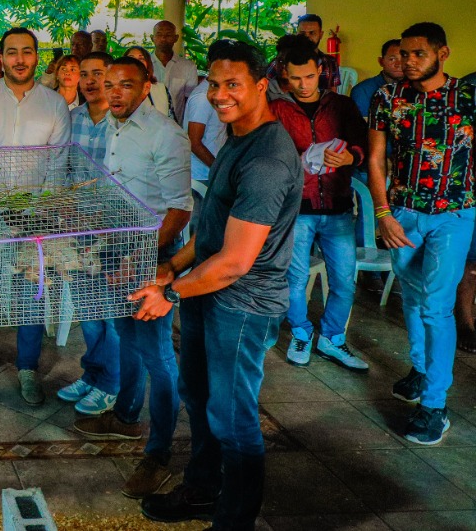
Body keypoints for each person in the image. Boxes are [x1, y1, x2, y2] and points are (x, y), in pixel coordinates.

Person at [134, 39, 301, 530]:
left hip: (242, 304)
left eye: (233, 84)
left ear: (261, 86)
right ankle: (202, 490)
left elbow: (234, 261)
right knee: (199, 393)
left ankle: (234, 521)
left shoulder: (267, 159)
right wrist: (172, 267)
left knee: (231, 415)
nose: (220, 94)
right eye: (213, 83)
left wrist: (169, 294)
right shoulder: (236, 136)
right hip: (207, 292)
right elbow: (211, 230)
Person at [74, 56, 192, 499]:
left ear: (146, 87)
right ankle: (125, 417)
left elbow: (180, 210)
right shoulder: (112, 127)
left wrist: (141, 258)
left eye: (125, 84)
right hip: (116, 246)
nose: (114, 92)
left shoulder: (165, 134)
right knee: (126, 335)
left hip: (152, 253)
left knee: (158, 354)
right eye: (109, 84)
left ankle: (158, 454)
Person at [368, 22, 475, 445]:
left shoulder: (468, 96)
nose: (408, 62)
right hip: (403, 214)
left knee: (435, 306)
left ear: (442, 54)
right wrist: (383, 213)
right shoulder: (387, 97)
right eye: (403, 55)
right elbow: (376, 159)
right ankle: (421, 367)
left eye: (418, 54)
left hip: (454, 214)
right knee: (411, 297)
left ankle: (435, 405)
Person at [0, 27, 69, 407]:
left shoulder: (54, 104)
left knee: (32, 291)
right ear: (1, 57)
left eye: (26, 51)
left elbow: (57, 165)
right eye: (12, 52)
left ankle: (27, 368)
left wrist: (36, 213)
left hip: (35, 214)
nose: (19, 59)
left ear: (37, 56)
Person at [272, 44, 370, 372]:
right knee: (296, 277)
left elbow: (363, 144)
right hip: (297, 208)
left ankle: (332, 338)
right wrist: (294, 162)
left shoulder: (341, 105)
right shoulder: (277, 109)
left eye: (309, 77)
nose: (303, 85)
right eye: (296, 78)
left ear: (320, 72)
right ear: (285, 76)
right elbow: (266, 152)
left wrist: (351, 156)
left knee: (344, 280)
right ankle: (301, 332)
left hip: (339, 207)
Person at [61, 51, 120, 416]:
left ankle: (111, 384)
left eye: (99, 73)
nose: (90, 81)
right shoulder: (73, 119)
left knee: (111, 311)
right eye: (85, 74)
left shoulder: (123, 121)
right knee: (88, 308)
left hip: (114, 231)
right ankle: (92, 374)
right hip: (79, 228)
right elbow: (64, 169)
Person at [266, 15, 340, 93]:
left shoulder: (330, 63)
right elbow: (265, 88)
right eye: (302, 33)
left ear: (321, 34)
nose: (307, 37)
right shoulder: (281, 62)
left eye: (312, 33)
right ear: (297, 33)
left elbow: (333, 95)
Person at [150, 20, 199, 122]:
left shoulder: (188, 66)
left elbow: (190, 101)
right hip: (148, 124)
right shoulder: (144, 65)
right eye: (159, 34)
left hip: (176, 125)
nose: (163, 38)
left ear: (176, 38)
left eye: (168, 35)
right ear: (152, 38)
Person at [182, 78, 225, 185]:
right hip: (200, 174)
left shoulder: (216, 93)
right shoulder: (202, 98)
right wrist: (219, 169)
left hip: (209, 172)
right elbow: (194, 142)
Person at [350, 39, 404, 118]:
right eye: (392, 59)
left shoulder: (417, 88)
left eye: (403, 59)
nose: (398, 64)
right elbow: (363, 123)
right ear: (381, 61)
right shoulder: (363, 90)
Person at [123, 47, 173, 118]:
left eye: (141, 59)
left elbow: (171, 120)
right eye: (131, 58)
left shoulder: (161, 89)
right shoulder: (117, 89)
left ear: (148, 64)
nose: (136, 62)